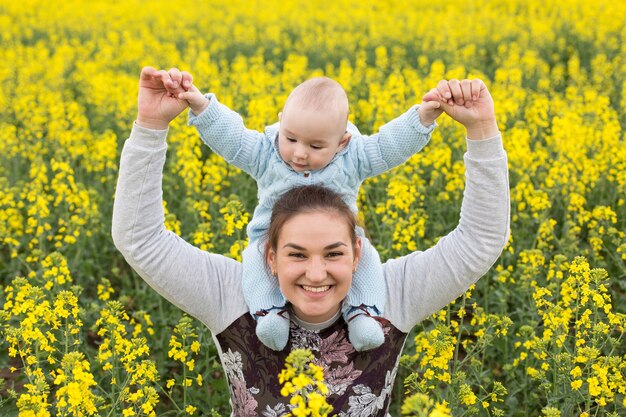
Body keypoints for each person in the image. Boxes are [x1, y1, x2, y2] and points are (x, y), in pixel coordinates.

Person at [112, 67, 509, 416]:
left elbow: (479, 240)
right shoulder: (233, 296)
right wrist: (150, 126)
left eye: (334, 252)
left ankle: (360, 316)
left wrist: (482, 130)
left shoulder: (392, 295)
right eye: (296, 254)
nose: (316, 273)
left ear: (357, 252)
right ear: (269, 255)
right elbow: (141, 239)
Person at [164, 72, 441, 352]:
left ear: (342, 141)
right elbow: (233, 140)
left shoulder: (353, 157)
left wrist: (423, 119)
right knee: (255, 261)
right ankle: (271, 313)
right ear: (281, 121)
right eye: (291, 138)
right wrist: (202, 108)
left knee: (366, 258)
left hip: (337, 242)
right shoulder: (267, 153)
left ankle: (362, 313)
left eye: (315, 146)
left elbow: (387, 147)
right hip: (272, 240)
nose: (299, 153)